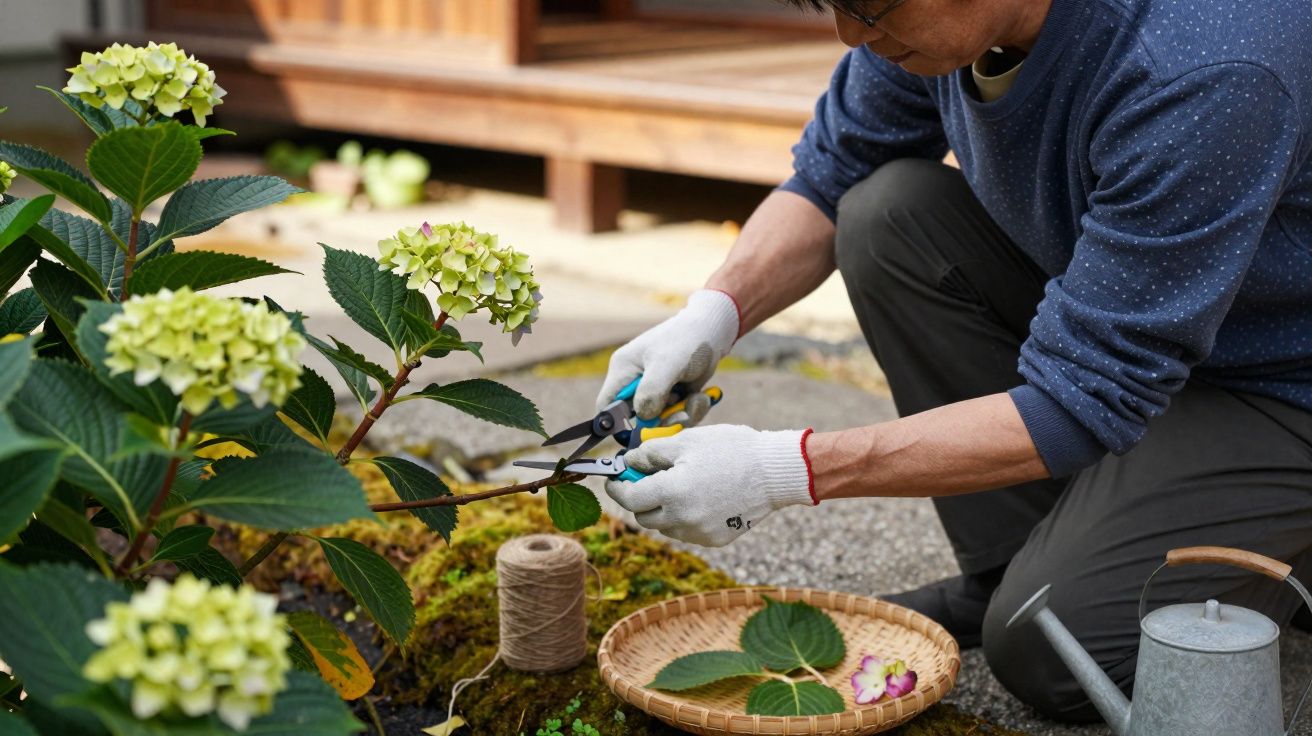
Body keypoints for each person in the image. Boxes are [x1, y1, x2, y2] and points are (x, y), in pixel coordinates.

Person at [595, 0, 1312, 723]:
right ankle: (1013, 565)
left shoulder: (1205, 65)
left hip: (1278, 383)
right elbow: (831, 174)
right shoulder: (930, 24)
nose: (852, 35)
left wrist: (783, 470)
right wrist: (713, 315)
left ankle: (1278, 544)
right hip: (1141, 331)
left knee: (1051, 647)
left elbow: (1077, 404)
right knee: (886, 216)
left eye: (869, 8)